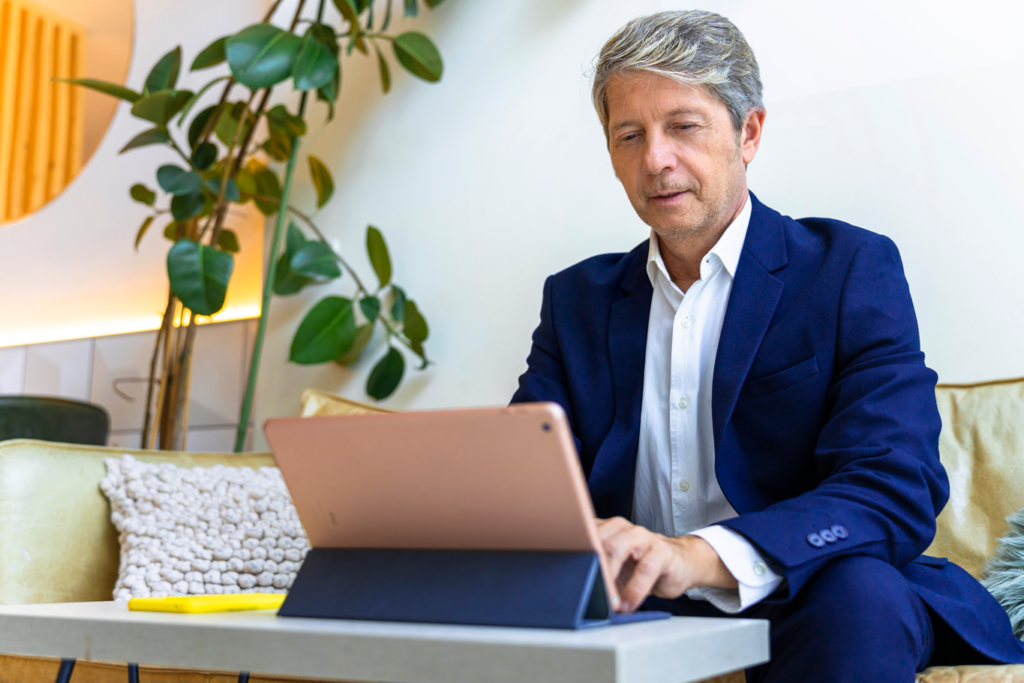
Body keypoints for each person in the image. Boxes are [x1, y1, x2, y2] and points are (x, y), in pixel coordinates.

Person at [511, 10, 1024, 682]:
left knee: (860, 595)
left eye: (683, 126)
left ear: (748, 132)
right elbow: (521, 486)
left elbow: (892, 485)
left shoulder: (848, 270)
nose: (655, 159)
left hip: (803, 592)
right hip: (633, 608)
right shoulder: (576, 300)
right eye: (628, 135)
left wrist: (698, 554)